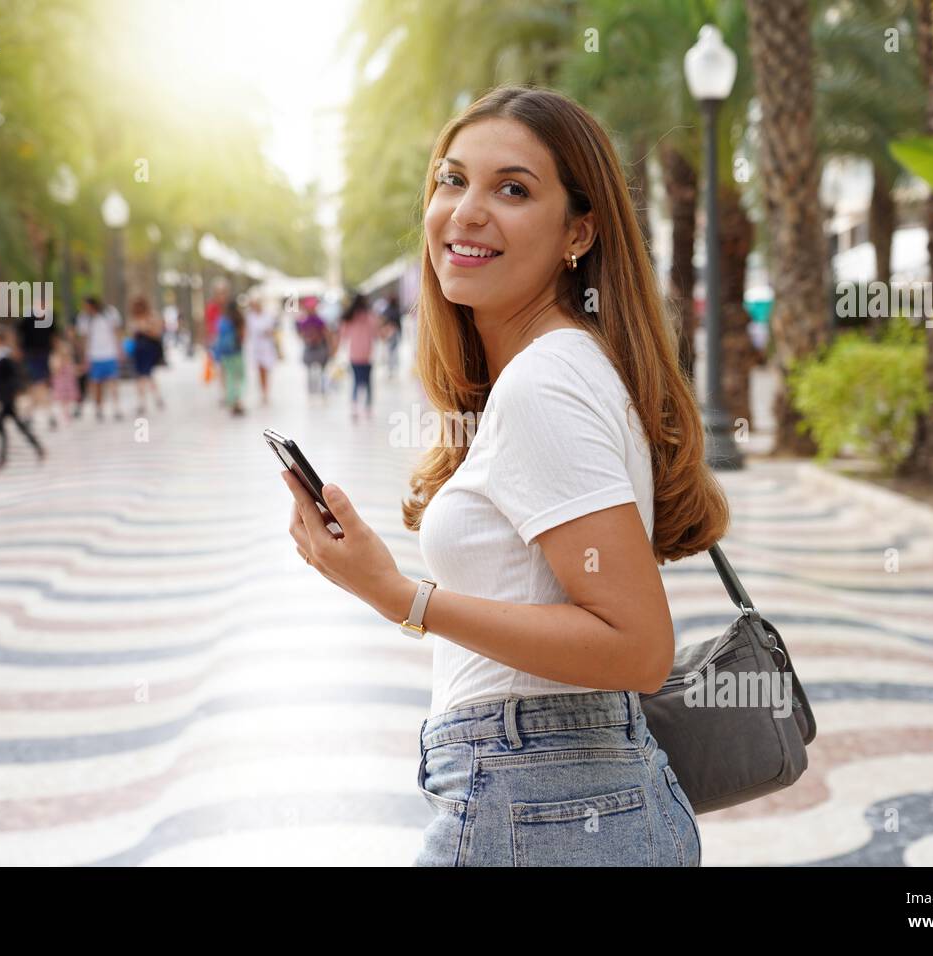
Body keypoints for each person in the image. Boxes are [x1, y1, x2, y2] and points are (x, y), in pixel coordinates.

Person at [278, 86, 728, 867]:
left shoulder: (543, 382)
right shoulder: (559, 365)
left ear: (578, 232)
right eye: (452, 181)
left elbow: (638, 645)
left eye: (512, 189)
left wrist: (400, 597)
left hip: (541, 801)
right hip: (566, 797)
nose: (467, 210)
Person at [0, 325, 44, 471]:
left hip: (6, 396)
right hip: (4, 395)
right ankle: (36, 447)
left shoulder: (4, 357)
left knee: (1, 425)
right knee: (15, 424)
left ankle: (3, 458)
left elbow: (6, 377)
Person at [76, 295, 122, 421]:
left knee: (113, 381)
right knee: (96, 384)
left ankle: (116, 407)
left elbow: (116, 331)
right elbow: (84, 338)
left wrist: (119, 349)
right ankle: (99, 408)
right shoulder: (84, 318)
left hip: (110, 353)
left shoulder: (109, 313)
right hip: (94, 355)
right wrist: (84, 356)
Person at [16, 292, 57, 429]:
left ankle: (29, 414)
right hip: (31, 355)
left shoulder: (50, 318)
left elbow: (54, 337)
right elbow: (18, 334)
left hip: (44, 355)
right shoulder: (28, 318)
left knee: (39, 385)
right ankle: (46, 414)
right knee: (38, 384)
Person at [339, 293, 380, 421]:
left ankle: (355, 406)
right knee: (368, 382)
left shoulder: (350, 317)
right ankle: (368, 407)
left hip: (354, 354)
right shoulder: (370, 317)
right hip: (368, 354)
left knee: (356, 381)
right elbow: (376, 333)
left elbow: (344, 335)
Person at [211, 288, 247, 416]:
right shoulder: (239, 319)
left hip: (224, 353)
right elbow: (243, 335)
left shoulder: (222, 319)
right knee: (240, 377)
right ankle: (237, 401)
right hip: (236, 351)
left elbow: (216, 335)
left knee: (230, 377)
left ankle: (231, 401)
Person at [128, 295, 166, 415]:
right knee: (142, 376)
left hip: (150, 349)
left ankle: (155, 399)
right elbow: (131, 335)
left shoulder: (152, 316)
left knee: (147, 375)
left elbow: (157, 333)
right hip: (138, 351)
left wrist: (145, 328)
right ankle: (143, 401)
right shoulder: (134, 318)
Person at [244, 293, 278, 406]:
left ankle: (265, 391)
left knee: (266, 369)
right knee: (259, 370)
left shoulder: (268, 316)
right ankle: (262, 391)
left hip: (266, 346)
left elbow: (272, 331)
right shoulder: (249, 317)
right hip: (255, 347)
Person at [297, 297, 333, 398]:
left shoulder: (320, 320)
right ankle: (312, 393)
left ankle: (322, 391)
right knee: (310, 372)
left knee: (322, 371)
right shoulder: (304, 320)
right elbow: (301, 334)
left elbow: (327, 333)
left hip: (320, 347)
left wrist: (330, 348)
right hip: (310, 347)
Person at [49, 334, 79, 422]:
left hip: (68, 382)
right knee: (62, 399)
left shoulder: (69, 359)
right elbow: (54, 370)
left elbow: (73, 369)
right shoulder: (55, 357)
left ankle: (67, 413)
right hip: (60, 383)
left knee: (68, 399)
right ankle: (64, 414)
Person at [381, 293, 403, 376]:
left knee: (390, 350)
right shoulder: (397, 310)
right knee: (394, 350)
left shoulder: (387, 310)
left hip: (389, 332)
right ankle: (393, 367)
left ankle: (391, 368)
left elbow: (383, 321)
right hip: (395, 332)